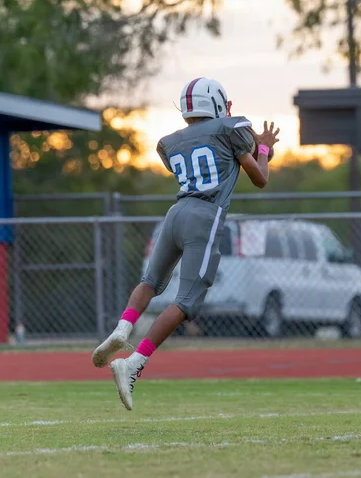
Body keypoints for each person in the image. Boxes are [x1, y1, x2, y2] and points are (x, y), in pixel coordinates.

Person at [91, 77, 280, 410]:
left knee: (150, 282)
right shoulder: (231, 127)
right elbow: (260, 177)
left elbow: (211, 155)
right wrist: (262, 148)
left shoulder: (169, 142)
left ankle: (123, 327)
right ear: (218, 104)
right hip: (205, 217)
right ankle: (133, 362)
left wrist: (253, 147)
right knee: (187, 302)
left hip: (175, 214)